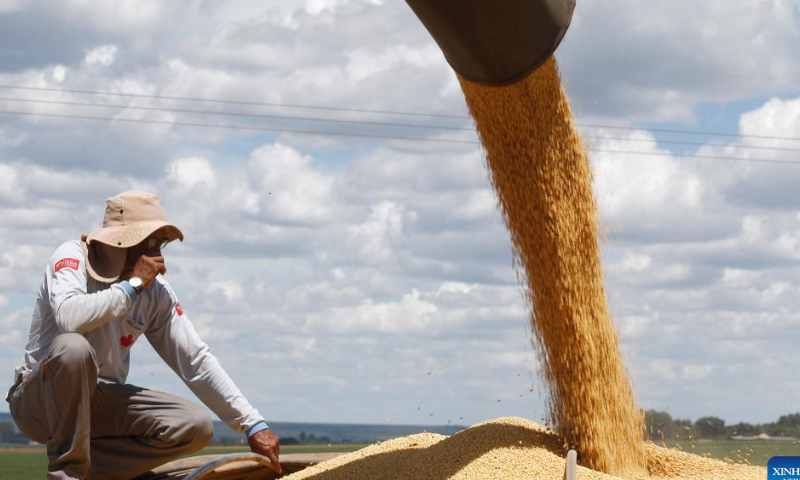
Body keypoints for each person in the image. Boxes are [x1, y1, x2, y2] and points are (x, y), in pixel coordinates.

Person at [5, 190, 281, 480]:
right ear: (119, 242)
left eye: (160, 244)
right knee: (73, 349)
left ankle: (100, 473)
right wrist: (131, 286)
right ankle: (67, 476)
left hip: (99, 401)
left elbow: (195, 359)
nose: (157, 257)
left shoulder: (156, 294)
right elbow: (70, 317)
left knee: (195, 425)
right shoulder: (72, 256)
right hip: (39, 403)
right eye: (148, 243)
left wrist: (253, 424)